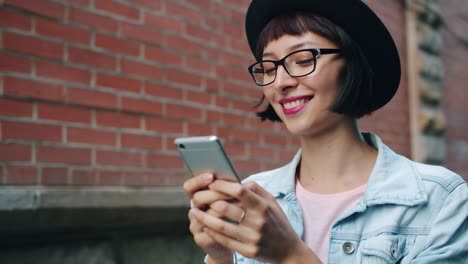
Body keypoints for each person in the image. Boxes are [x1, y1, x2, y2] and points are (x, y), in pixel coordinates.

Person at [183, 0, 468, 263]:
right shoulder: (255, 196)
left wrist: (290, 255)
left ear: (352, 63)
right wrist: (222, 258)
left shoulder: (440, 199)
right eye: (269, 67)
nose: (280, 82)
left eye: (304, 60)